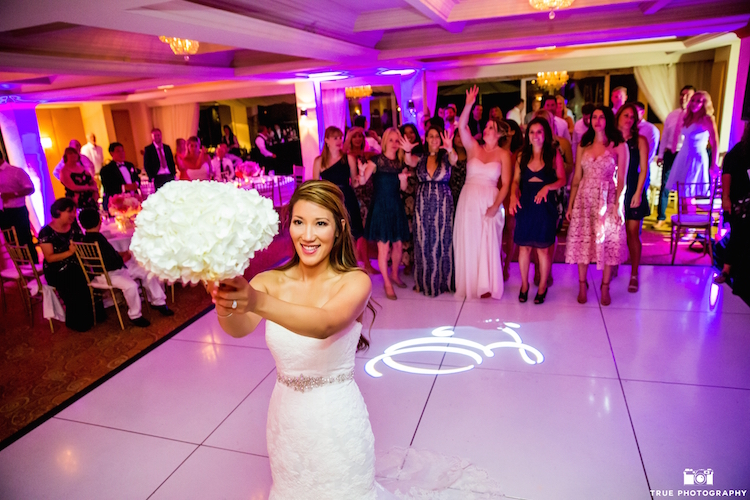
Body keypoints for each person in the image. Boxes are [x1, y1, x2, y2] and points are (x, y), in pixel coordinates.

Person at [210, 181, 390, 499]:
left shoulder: (356, 281)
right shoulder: (269, 280)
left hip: (337, 422)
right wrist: (225, 303)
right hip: (286, 419)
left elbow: (324, 324)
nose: (307, 236)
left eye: (320, 223)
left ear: (339, 228)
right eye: (298, 222)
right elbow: (238, 329)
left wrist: (255, 301)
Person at [454, 85, 512, 300]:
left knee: (489, 243)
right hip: (469, 199)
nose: (485, 130)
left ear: (498, 133)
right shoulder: (473, 148)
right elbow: (461, 127)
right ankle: (470, 284)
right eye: (486, 126)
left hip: (490, 200)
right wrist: (468, 104)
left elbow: (505, 184)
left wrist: (495, 206)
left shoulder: (503, 154)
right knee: (470, 241)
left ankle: (487, 285)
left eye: (489, 127)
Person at [565, 106, 628, 306]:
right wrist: (570, 204)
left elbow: (623, 180)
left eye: (602, 117)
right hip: (584, 197)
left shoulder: (618, 145)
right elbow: (576, 177)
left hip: (607, 196)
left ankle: (605, 287)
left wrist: (618, 205)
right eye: (594, 117)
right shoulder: (584, 143)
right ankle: (582, 285)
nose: (597, 121)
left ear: (608, 120)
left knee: (607, 242)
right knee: (583, 242)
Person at [79, 208, 173, 326]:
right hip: (107, 274)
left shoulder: (88, 238)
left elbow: (110, 255)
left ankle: (158, 302)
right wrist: (127, 255)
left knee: (146, 272)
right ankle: (135, 315)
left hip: (114, 270)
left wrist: (122, 253)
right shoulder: (96, 240)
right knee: (131, 286)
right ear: (99, 221)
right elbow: (112, 263)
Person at [509, 117, 567, 304]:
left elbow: (562, 180)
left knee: (543, 249)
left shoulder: (553, 154)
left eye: (539, 132)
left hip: (545, 205)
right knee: (524, 248)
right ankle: (524, 285)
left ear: (545, 134)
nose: (535, 136)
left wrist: (547, 187)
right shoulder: (521, 155)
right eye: (532, 132)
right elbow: (516, 180)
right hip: (525, 204)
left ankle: (542, 286)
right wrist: (512, 195)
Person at [402, 125, 457, 296]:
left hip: (443, 203)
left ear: (441, 139)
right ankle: (424, 282)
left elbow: (455, 160)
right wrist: (407, 151)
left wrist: (450, 148)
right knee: (423, 240)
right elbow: (408, 161)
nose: (434, 139)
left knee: (443, 239)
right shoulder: (420, 158)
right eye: (431, 136)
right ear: (426, 139)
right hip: (423, 203)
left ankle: (444, 282)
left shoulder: (447, 157)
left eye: (437, 136)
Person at [360, 128, 411, 299]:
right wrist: (361, 172)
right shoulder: (376, 161)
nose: (395, 144)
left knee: (397, 245)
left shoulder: (400, 163)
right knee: (384, 248)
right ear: (385, 142)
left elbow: (403, 189)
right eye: (391, 140)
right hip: (381, 206)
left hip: (395, 205)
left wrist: (403, 180)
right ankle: (387, 283)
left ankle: (395, 274)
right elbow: (362, 181)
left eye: (397, 141)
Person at [38, 198, 95, 332]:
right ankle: (76, 321)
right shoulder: (46, 232)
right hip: (56, 269)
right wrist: (69, 253)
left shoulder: (74, 226)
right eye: (69, 212)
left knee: (87, 278)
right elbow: (49, 258)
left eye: (74, 211)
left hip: (75, 265)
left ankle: (90, 317)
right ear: (58, 212)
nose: (73, 215)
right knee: (73, 283)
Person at [313, 126, 365, 257]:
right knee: (331, 237)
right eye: (335, 138)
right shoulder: (319, 161)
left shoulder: (349, 158)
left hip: (347, 198)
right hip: (329, 201)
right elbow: (315, 186)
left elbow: (354, 183)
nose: (339, 140)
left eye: (340, 137)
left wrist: (362, 175)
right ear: (327, 140)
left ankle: (353, 269)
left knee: (351, 236)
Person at [617, 104, 650, 293]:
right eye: (626, 115)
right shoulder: (610, 140)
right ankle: (612, 266)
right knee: (614, 232)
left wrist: (638, 192)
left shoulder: (640, 140)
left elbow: (644, 169)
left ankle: (634, 273)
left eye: (632, 117)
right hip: (614, 188)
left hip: (633, 189)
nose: (629, 119)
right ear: (619, 116)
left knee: (632, 232)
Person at [715, 121, 750, 293]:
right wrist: (726, 198)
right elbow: (726, 176)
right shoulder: (737, 152)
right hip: (740, 202)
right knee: (737, 236)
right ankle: (726, 270)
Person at [665, 91, 719, 204]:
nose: (694, 103)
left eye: (698, 101)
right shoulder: (687, 117)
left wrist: (714, 164)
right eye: (693, 100)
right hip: (683, 154)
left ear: (705, 103)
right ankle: (683, 220)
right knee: (681, 192)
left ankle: (689, 221)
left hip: (696, 156)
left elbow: (715, 142)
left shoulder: (707, 119)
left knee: (689, 192)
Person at [655, 86, 695, 229]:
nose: (683, 98)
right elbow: (665, 135)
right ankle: (661, 217)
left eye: (687, 95)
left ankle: (683, 222)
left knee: (683, 189)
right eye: (681, 94)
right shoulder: (672, 115)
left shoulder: (694, 116)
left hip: (684, 155)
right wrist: (660, 155)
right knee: (664, 185)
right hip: (669, 153)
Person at [344, 126, 378, 275]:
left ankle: (365, 261)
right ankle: (365, 263)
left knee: (367, 228)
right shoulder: (346, 155)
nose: (358, 138)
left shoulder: (369, 153)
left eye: (360, 136)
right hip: (356, 193)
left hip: (370, 192)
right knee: (361, 230)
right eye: (355, 136)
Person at [0, 149, 37, 263]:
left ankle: (34, 266)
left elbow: (30, 188)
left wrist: (13, 194)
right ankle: (19, 267)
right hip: (2, 211)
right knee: (10, 241)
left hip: (17, 209)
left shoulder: (15, 171)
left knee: (24, 239)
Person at [398, 123, 424, 275]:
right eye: (406, 133)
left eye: (412, 132)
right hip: (404, 194)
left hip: (419, 193)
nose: (409, 135)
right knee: (407, 228)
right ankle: (407, 262)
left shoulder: (422, 152)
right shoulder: (399, 155)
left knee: (419, 229)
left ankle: (419, 261)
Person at [100, 142, 140, 210]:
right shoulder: (106, 169)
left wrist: (136, 184)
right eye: (118, 151)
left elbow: (137, 178)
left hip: (133, 198)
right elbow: (108, 187)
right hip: (118, 202)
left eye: (122, 150)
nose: (122, 153)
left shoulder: (129, 165)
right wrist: (124, 187)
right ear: (111, 153)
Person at [634, 102, 660, 173]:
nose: (632, 114)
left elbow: (652, 149)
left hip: (642, 167)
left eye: (635, 111)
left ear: (642, 112)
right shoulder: (629, 128)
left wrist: (642, 167)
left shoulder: (650, 129)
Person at [449, 130, 468, 208]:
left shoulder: (471, 159)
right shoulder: (448, 155)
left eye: (463, 136)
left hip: (465, 196)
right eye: (458, 136)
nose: (461, 139)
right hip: (449, 196)